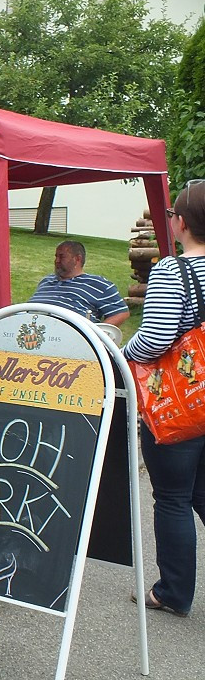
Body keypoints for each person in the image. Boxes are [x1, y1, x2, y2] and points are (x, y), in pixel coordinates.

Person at [123, 181, 205, 617]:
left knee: (173, 497)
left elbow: (154, 339)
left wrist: (122, 355)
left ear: (182, 222)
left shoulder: (175, 271)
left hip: (183, 405)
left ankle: (173, 592)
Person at [29, 240, 129, 326]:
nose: (56, 261)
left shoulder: (98, 284)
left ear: (77, 259)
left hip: (68, 338)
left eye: (62, 257)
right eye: (56, 256)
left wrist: (96, 334)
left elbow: (121, 313)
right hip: (31, 330)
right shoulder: (46, 281)